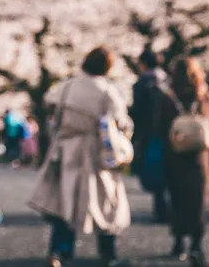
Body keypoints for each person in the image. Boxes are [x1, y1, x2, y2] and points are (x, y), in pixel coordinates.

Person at [29, 47, 132, 267]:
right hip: (97, 154)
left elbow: (50, 107)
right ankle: (108, 253)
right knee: (106, 203)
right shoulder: (107, 91)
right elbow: (121, 121)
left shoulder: (67, 87)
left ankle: (59, 251)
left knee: (65, 203)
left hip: (67, 150)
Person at [152, 58, 209, 267]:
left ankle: (178, 242)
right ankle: (196, 244)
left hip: (175, 154)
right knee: (198, 200)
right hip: (199, 156)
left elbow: (159, 126)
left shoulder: (167, 96)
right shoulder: (202, 94)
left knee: (177, 197)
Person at [129, 47, 168, 223]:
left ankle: (160, 208)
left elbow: (137, 111)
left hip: (148, 131)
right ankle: (168, 208)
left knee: (153, 168)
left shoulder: (142, 83)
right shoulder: (167, 79)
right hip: (168, 131)